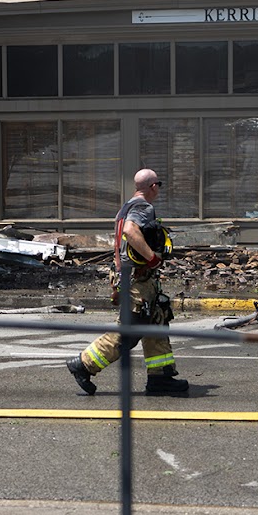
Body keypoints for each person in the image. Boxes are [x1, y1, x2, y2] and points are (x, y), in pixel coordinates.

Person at [67, 168, 189, 396]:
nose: (159, 190)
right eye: (158, 185)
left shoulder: (125, 207)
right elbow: (131, 231)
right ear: (153, 186)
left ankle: (160, 378)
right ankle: (83, 364)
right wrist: (152, 259)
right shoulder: (143, 207)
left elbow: (119, 244)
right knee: (131, 330)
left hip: (132, 277)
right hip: (138, 279)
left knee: (155, 322)